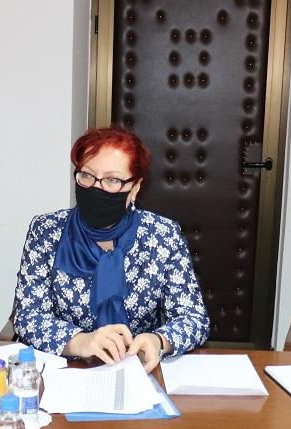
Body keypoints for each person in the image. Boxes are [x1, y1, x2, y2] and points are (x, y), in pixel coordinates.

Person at [12, 127, 209, 372]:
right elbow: (27, 315)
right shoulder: (46, 231)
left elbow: (193, 318)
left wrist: (158, 341)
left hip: (140, 370)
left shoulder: (162, 235)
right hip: (68, 371)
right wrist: (79, 342)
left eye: (112, 180)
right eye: (87, 175)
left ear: (135, 188)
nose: (96, 187)